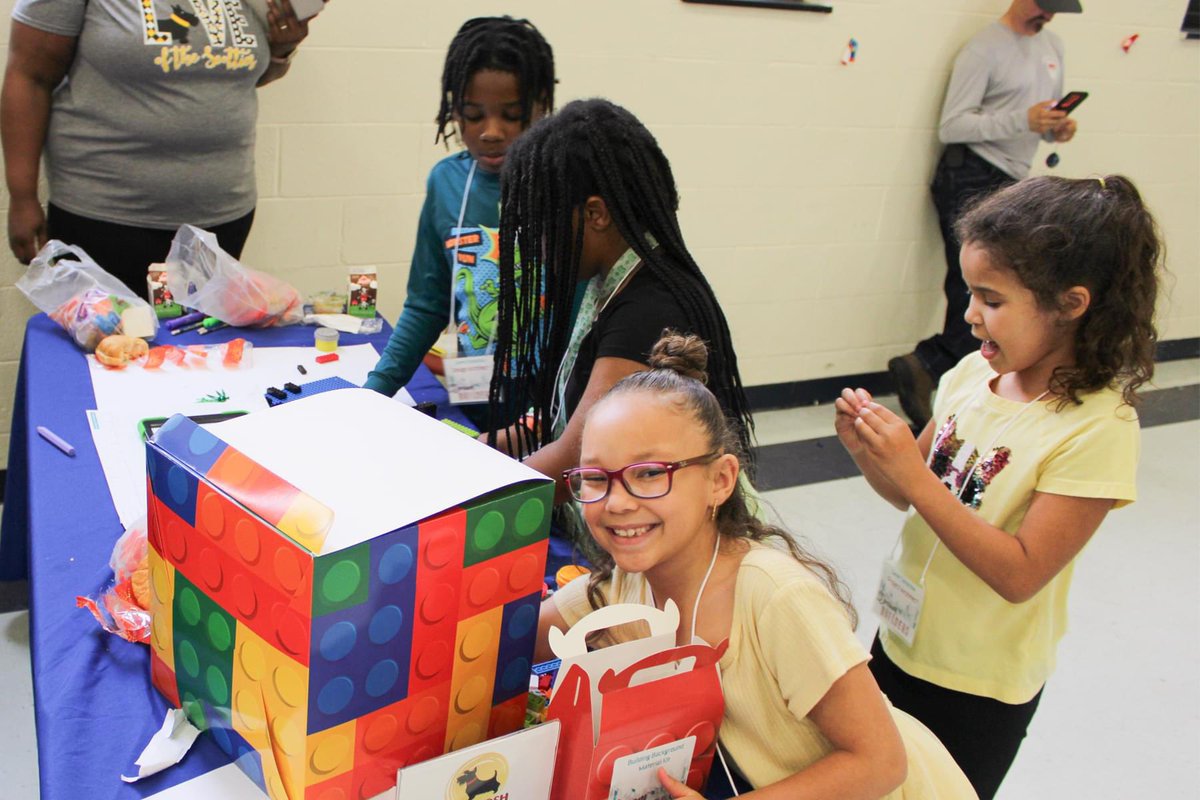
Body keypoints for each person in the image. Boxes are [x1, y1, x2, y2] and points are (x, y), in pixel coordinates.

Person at [538, 332, 976, 800]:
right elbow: (515, 632)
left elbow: (880, 764)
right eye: (595, 478)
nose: (617, 502)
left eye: (649, 474)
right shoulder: (625, 585)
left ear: (721, 480)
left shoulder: (775, 596)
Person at [837, 175, 1159, 799]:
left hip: (978, 682)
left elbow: (1020, 574)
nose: (969, 315)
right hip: (902, 638)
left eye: (991, 299)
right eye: (968, 293)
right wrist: (871, 454)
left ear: (1071, 304)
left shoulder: (1099, 427)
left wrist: (910, 474)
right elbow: (910, 493)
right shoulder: (968, 374)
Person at [484, 99, 754, 504]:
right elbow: (564, 416)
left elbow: (572, 463)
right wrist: (480, 445)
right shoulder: (614, 281)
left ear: (596, 214)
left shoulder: (649, 311)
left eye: (541, 224)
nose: (535, 245)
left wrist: (464, 493)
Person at [2, 0, 320, 295]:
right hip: (106, 218)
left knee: (199, 349)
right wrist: (22, 195)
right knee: (110, 348)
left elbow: (231, 75)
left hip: (222, 217)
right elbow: (29, 76)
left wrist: (282, 47)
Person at [888, 0, 1082, 430]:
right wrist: (1022, 119)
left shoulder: (1053, 47)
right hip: (969, 173)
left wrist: (1055, 128)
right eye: (1045, 7)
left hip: (1012, 177)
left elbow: (1042, 119)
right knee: (977, 287)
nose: (1049, 16)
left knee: (999, 287)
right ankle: (929, 364)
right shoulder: (984, 49)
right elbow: (952, 125)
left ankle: (930, 365)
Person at [365, 15, 556, 430]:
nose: (491, 132)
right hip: (479, 393)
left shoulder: (565, 182)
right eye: (473, 114)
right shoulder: (447, 182)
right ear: (454, 109)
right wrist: (373, 392)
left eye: (512, 115)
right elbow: (427, 303)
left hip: (556, 402)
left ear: (541, 106)